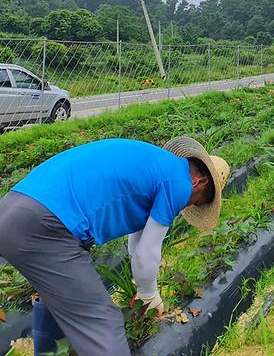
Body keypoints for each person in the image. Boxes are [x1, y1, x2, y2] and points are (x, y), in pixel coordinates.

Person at [0, 137, 230, 356]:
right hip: (46, 223)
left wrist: (144, 284)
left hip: (15, 206)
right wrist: (148, 293)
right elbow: (146, 252)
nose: (189, 205)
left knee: (57, 297)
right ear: (200, 183)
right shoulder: (179, 185)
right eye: (198, 201)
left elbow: (136, 245)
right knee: (102, 320)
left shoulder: (159, 166)